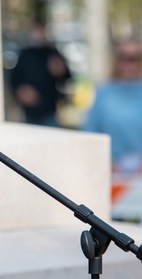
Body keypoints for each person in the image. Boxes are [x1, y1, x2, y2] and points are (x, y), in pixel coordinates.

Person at [81, 39, 142, 174]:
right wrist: (107, 161)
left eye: (135, 58)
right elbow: (90, 131)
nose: (130, 63)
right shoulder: (103, 93)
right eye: (124, 57)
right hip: (113, 173)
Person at [8, 19, 71, 126]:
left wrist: (61, 71)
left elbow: (66, 78)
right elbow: (14, 81)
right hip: (30, 113)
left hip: (49, 110)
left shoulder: (53, 54)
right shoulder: (25, 55)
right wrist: (22, 91)